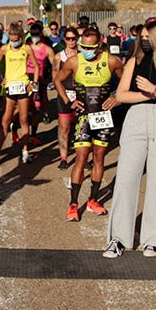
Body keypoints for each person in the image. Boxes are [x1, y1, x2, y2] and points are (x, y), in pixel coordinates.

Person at [103, 19, 156, 258]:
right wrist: (151, 94)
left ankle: (154, 238)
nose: (144, 41)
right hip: (136, 119)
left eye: (148, 38)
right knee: (126, 177)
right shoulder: (133, 63)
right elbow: (122, 96)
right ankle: (118, 238)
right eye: (142, 38)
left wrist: (155, 91)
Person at [54, 27, 123, 221]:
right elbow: (58, 81)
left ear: (99, 45)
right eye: (82, 46)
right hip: (84, 117)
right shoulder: (74, 61)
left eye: (89, 47)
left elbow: (126, 79)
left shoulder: (111, 60)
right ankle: (73, 203)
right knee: (81, 158)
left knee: (99, 158)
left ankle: (93, 200)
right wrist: (69, 101)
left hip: (102, 117)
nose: (85, 50)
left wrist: (116, 96)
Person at [0, 21, 37, 165]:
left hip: (23, 85)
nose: (14, 43)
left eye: (16, 40)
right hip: (10, 86)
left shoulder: (27, 49)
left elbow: (36, 67)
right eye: (11, 40)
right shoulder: (5, 49)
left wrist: (33, 83)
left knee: (24, 119)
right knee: (6, 120)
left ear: (21, 37)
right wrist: (0, 80)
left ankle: (25, 151)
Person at [53, 27, 80, 170]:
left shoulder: (83, 55)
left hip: (81, 95)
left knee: (82, 128)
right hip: (65, 95)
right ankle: (64, 157)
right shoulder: (58, 57)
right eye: (68, 38)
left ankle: (83, 157)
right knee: (64, 128)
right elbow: (55, 78)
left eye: (73, 38)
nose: (71, 41)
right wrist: (64, 97)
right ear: (64, 40)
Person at [26, 21, 55, 141]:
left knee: (37, 108)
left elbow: (55, 65)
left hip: (40, 80)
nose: (34, 37)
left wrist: (52, 79)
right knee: (24, 107)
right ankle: (18, 128)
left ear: (41, 34)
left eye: (36, 34)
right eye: (32, 34)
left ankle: (33, 134)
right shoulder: (26, 47)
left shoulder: (47, 49)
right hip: (26, 79)